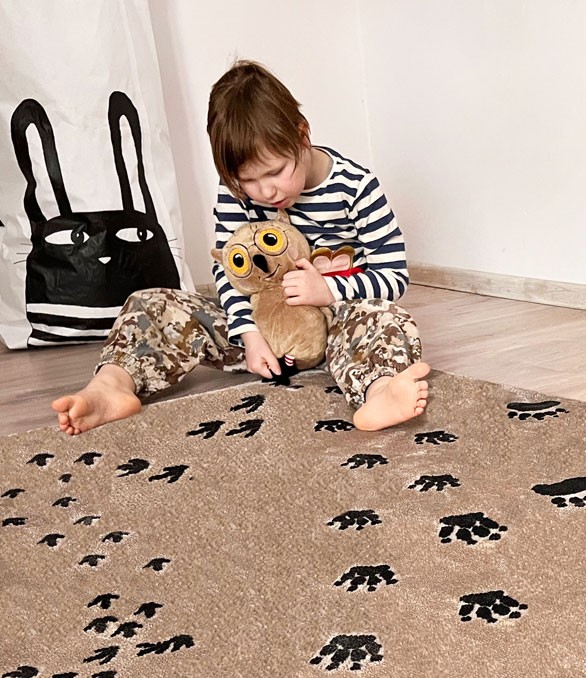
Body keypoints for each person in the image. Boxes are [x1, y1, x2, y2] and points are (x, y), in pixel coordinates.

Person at [52, 60, 429, 434]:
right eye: (248, 180)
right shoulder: (236, 192)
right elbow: (228, 270)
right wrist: (249, 335)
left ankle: (379, 391)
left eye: (276, 171)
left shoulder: (357, 187)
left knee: (387, 318)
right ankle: (112, 385)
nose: (266, 191)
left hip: (338, 330)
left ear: (302, 135)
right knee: (149, 303)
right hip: (264, 333)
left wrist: (329, 290)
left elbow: (393, 276)